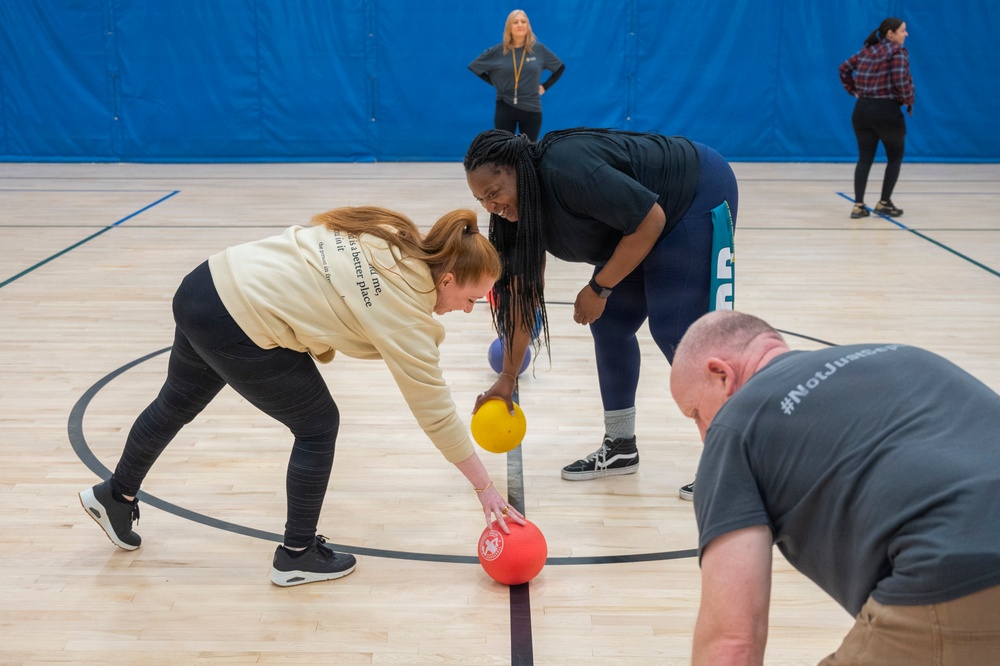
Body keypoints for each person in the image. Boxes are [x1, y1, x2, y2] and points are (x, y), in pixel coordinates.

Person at [79, 206, 526, 587]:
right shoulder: (405, 313)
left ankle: (115, 498)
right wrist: (485, 488)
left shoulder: (393, 236)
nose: (469, 311)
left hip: (205, 285)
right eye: (471, 299)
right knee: (317, 425)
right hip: (239, 317)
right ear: (447, 279)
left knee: (174, 404)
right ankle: (296, 556)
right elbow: (436, 412)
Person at [669, 310, 1000, 664]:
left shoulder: (735, 426)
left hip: (956, 569)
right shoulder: (907, 357)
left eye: (695, 414)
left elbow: (733, 644)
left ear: (721, 374)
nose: (704, 436)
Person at [464, 128, 738, 500]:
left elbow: (650, 219)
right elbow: (521, 296)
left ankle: (737, 460)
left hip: (693, 192)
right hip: (641, 222)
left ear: (519, 171)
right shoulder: (513, 221)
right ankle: (620, 445)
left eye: (494, 194)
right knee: (610, 325)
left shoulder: (567, 170)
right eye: (482, 200)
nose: (491, 207)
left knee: (674, 330)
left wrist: (599, 287)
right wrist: (508, 376)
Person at [839, 17, 914, 220]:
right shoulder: (897, 52)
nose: (905, 34)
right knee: (895, 157)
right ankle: (884, 202)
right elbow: (900, 79)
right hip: (886, 110)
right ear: (890, 33)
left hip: (862, 109)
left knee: (864, 158)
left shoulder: (866, 51)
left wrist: (854, 91)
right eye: (902, 30)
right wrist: (908, 99)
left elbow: (843, 68)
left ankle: (858, 205)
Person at [468, 9, 565, 142]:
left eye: (523, 21)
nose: (520, 25)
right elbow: (475, 66)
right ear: (509, 27)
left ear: (528, 26)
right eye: (515, 22)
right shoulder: (498, 51)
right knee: (504, 152)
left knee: (529, 152)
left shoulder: (538, 50)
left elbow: (559, 68)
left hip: (532, 107)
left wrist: (545, 86)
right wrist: (496, 83)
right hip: (505, 106)